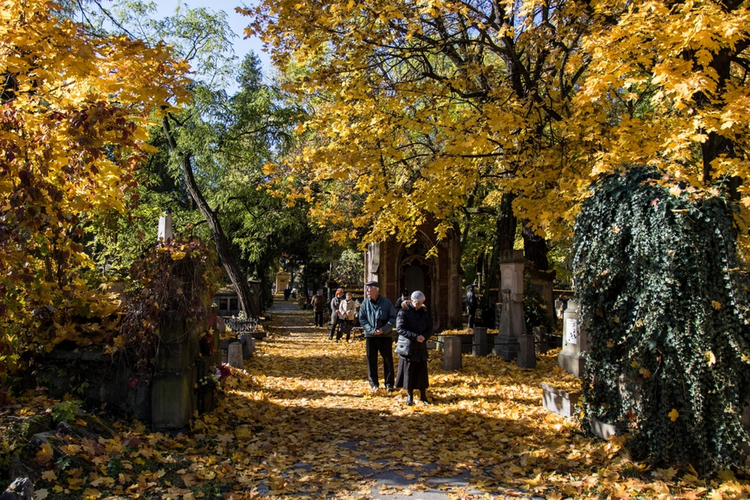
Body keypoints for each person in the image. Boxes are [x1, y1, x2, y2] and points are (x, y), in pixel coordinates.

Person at [395, 290, 433, 405]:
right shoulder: (404, 311)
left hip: (421, 345)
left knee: (422, 371)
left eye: (421, 303)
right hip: (409, 346)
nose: (419, 305)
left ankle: (423, 395)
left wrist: (424, 336)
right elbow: (400, 328)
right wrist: (415, 337)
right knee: (409, 372)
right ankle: (409, 396)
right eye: (417, 303)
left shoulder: (424, 311)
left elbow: (430, 327)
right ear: (411, 301)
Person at [359, 281, 397, 391]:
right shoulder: (365, 304)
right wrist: (371, 330)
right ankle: (374, 384)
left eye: (368, 288)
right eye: (366, 288)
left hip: (385, 336)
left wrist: (383, 330)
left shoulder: (387, 303)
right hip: (370, 336)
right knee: (371, 360)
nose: (366, 290)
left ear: (376, 289)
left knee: (388, 360)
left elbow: (392, 318)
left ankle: (389, 384)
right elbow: (362, 319)